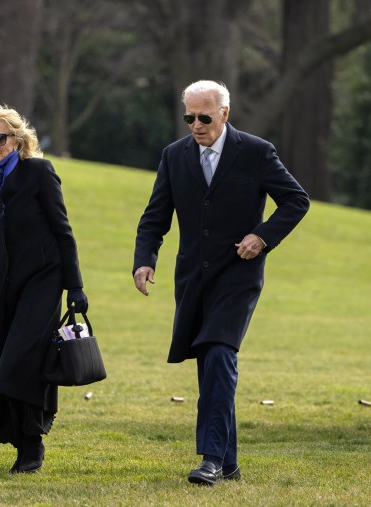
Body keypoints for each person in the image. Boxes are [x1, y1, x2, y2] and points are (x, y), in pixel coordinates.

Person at [133, 80, 309, 485]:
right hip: (193, 278)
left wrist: (262, 236)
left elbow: (297, 200)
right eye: (189, 117)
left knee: (218, 354)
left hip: (239, 276)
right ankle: (229, 463)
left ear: (225, 114)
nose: (196, 125)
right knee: (212, 365)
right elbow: (154, 218)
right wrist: (145, 261)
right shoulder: (174, 156)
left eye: (204, 117)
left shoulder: (258, 152)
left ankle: (210, 459)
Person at [0, 103, 88, 474]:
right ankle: (18, 437)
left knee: (21, 360)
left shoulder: (39, 172)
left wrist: (74, 287)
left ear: (17, 140)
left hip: (43, 279)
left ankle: (31, 445)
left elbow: (63, 231)